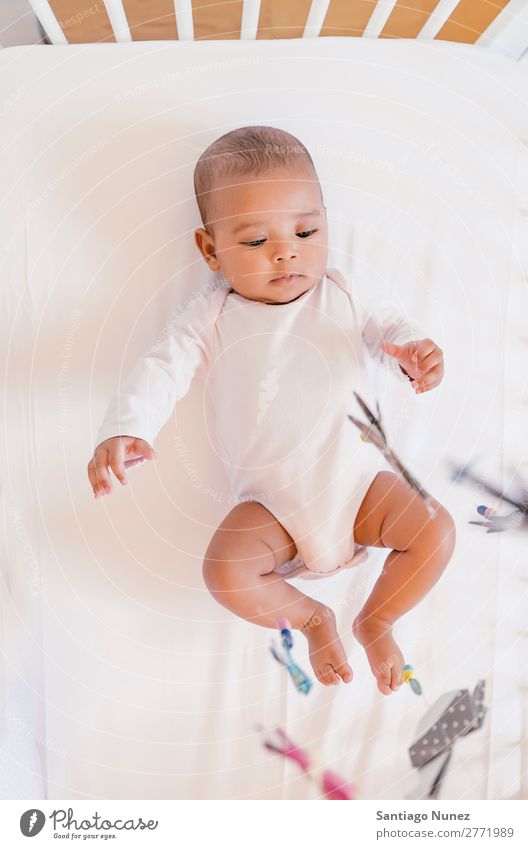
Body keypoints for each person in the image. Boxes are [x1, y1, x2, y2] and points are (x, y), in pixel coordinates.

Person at [87, 125, 455, 696]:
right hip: (273, 510)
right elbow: (162, 367)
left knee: (435, 529)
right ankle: (313, 618)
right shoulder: (210, 317)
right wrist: (127, 426)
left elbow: (392, 328)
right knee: (225, 571)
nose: (286, 250)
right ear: (211, 250)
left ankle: (377, 618)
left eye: (306, 231)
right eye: (256, 242)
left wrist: (412, 351)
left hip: (362, 489)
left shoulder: (344, 290)